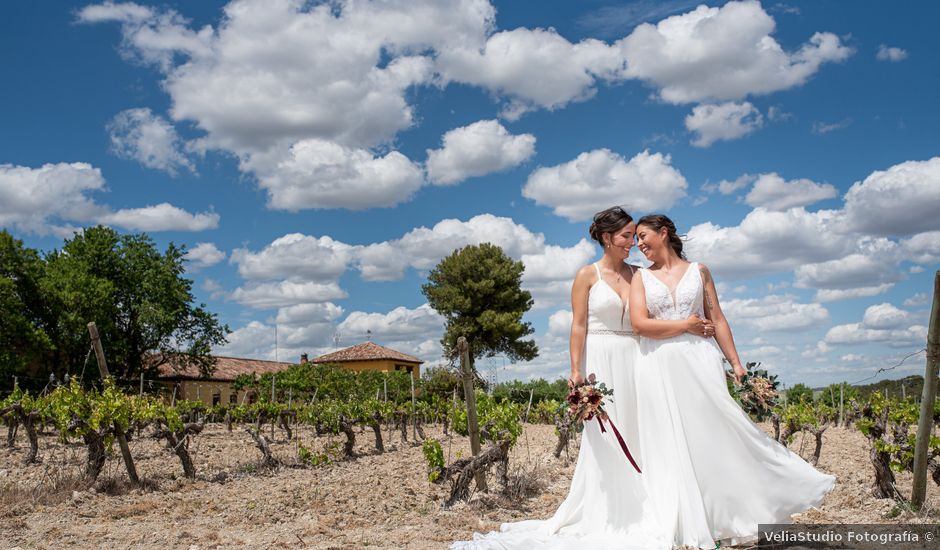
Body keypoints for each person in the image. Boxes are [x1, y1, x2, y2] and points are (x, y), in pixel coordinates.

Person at [450, 207, 711, 550]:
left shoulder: (641, 275)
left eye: (635, 236)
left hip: (639, 358)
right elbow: (579, 325)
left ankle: (655, 508)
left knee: (646, 434)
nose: (632, 243)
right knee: (607, 440)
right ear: (607, 238)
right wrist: (575, 369)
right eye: (626, 236)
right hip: (600, 360)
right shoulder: (587, 275)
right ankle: (613, 511)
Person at [628, 214, 837, 549]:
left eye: (643, 236)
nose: (638, 244)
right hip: (657, 366)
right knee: (670, 439)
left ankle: (731, 511)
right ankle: (685, 518)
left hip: (700, 360)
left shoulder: (699, 271)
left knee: (716, 431)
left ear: (663, 233)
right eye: (636, 239)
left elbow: (718, 319)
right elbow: (640, 324)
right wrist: (685, 325)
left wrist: (736, 364)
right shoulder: (641, 278)